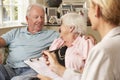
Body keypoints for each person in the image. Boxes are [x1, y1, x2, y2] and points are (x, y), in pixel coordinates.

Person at [37, 0, 120, 80]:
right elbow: (86, 78)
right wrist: (56, 67)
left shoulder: (101, 51)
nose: (88, 15)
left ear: (96, 10)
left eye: (89, 8)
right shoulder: (114, 43)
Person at [0, 3, 59, 80]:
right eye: (36, 17)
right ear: (27, 19)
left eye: (42, 17)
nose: (40, 20)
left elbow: (67, 37)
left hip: (31, 70)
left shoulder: (51, 34)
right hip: (9, 68)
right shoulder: (15, 32)